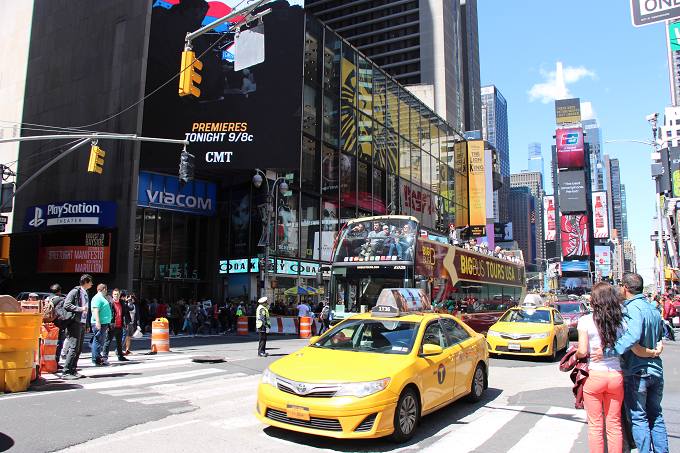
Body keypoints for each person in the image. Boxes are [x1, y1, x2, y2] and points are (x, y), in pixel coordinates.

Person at [576, 282, 661, 453]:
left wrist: (576, 354)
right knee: (614, 424)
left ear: (594, 301)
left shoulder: (585, 320)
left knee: (595, 425)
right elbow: (632, 346)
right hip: (616, 375)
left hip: (594, 375)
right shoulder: (621, 322)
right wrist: (653, 351)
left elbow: (582, 351)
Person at [61, 274, 92, 379]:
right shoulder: (75, 292)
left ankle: (73, 370)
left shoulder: (86, 293)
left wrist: (87, 324)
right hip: (75, 322)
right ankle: (66, 371)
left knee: (78, 349)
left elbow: (86, 310)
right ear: (86, 282)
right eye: (90, 282)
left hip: (82, 322)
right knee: (74, 348)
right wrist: (80, 309)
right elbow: (67, 304)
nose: (92, 284)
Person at [103, 288, 130, 363]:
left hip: (120, 325)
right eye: (114, 294)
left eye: (117, 294)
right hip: (112, 325)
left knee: (119, 343)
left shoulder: (121, 302)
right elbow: (107, 314)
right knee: (107, 342)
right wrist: (107, 325)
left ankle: (120, 356)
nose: (116, 296)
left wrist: (125, 323)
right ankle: (105, 357)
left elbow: (125, 313)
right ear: (112, 295)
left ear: (119, 295)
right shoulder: (110, 303)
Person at [90, 283, 111, 366]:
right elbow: (95, 310)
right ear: (104, 289)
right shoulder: (98, 298)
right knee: (98, 341)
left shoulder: (102, 298)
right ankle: (97, 359)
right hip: (100, 323)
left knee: (99, 341)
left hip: (103, 323)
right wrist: (97, 322)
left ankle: (96, 358)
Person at [48, 283, 67, 369]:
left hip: (48, 324)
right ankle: (55, 362)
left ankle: (47, 361)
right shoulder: (60, 299)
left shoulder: (48, 298)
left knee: (48, 344)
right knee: (58, 343)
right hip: (57, 325)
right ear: (59, 291)